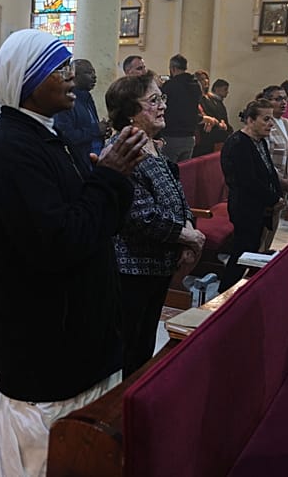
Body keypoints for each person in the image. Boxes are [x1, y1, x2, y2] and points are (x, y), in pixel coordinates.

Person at [0, 29, 147, 476]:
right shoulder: (11, 150)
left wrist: (112, 178)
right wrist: (109, 178)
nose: (71, 76)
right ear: (27, 81)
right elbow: (59, 243)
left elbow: (92, 224)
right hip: (45, 354)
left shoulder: (49, 137)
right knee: (39, 463)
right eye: (58, 68)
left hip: (80, 344)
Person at [105, 71, 205, 376]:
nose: (162, 105)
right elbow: (140, 215)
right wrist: (186, 236)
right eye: (154, 100)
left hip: (157, 264)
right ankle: (114, 411)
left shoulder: (151, 145)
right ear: (132, 112)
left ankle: (132, 402)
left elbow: (177, 194)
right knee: (127, 347)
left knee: (144, 343)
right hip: (132, 268)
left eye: (162, 98)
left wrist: (187, 230)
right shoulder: (123, 149)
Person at [219, 99, 285, 288]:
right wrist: (274, 198)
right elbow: (248, 181)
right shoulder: (239, 144)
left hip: (259, 206)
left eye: (271, 119)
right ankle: (226, 290)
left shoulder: (259, 140)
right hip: (244, 207)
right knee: (242, 252)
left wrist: (280, 188)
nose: (270, 124)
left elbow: (268, 169)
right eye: (265, 119)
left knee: (252, 249)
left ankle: (240, 287)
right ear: (250, 120)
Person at [262, 84, 288, 245]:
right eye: (278, 99)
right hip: (269, 184)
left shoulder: (286, 123)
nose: (283, 102)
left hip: (284, 184)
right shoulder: (265, 124)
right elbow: (265, 159)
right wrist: (280, 180)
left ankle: (265, 253)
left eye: (284, 98)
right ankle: (257, 258)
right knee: (263, 226)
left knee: (275, 221)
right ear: (267, 101)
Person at [53, 59, 104, 167]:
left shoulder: (87, 97)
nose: (94, 76)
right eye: (88, 73)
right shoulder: (66, 100)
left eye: (94, 72)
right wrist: (96, 130)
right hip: (79, 162)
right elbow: (67, 136)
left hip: (94, 158)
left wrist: (102, 133)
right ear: (74, 76)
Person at [161, 54, 206, 163]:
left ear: (173, 68)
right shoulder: (195, 84)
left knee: (170, 171)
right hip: (190, 137)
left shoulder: (170, 85)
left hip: (171, 136)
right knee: (184, 172)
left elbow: (163, 107)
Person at [194, 77, 232, 157]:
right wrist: (217, 123)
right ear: (217, 89)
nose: (227, 92)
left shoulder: (216, 101)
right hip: (205, 136)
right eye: (225, 89)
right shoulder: (204, 100)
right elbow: (206, 116)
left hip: (215, 135)